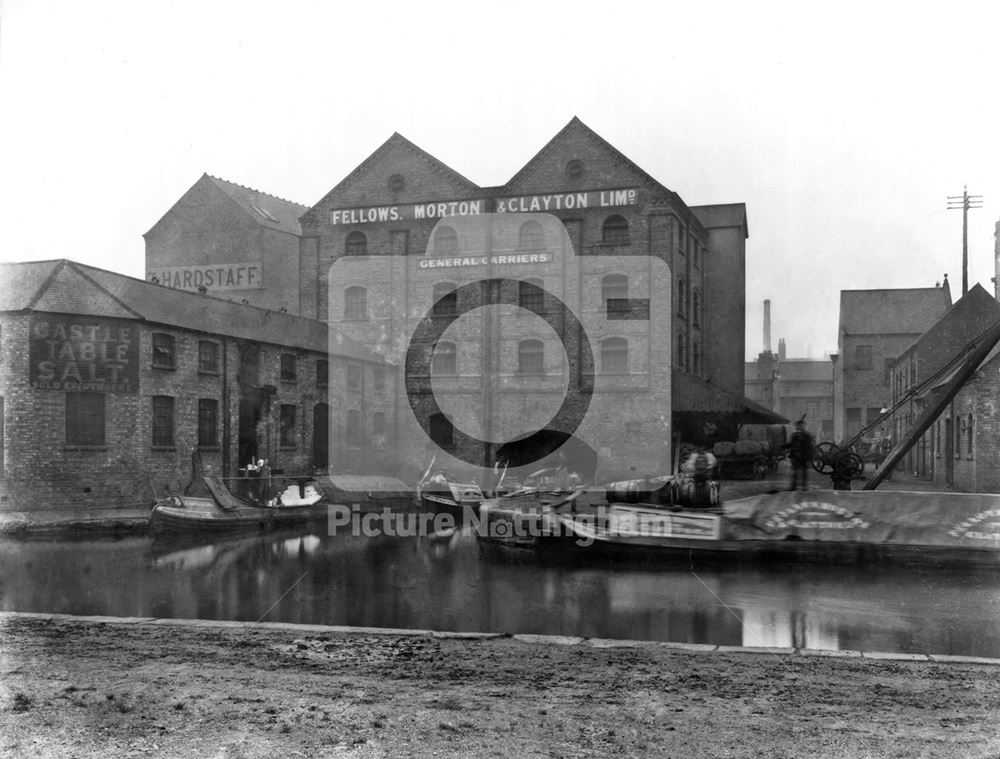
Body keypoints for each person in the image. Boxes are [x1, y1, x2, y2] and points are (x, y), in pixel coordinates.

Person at [787, 420, 814, 491]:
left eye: (800, 425)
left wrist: (809, 458)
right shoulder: (795, 435)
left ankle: (804, 487)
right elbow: (791, 444)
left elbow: (809, 447)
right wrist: (783, 446)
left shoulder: (807, 436)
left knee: (804, 473)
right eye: (798, 425)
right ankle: (794, 486)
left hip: (803, 457)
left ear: (803, 426)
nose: (799, 427)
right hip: (795, 457)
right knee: (795, 472)